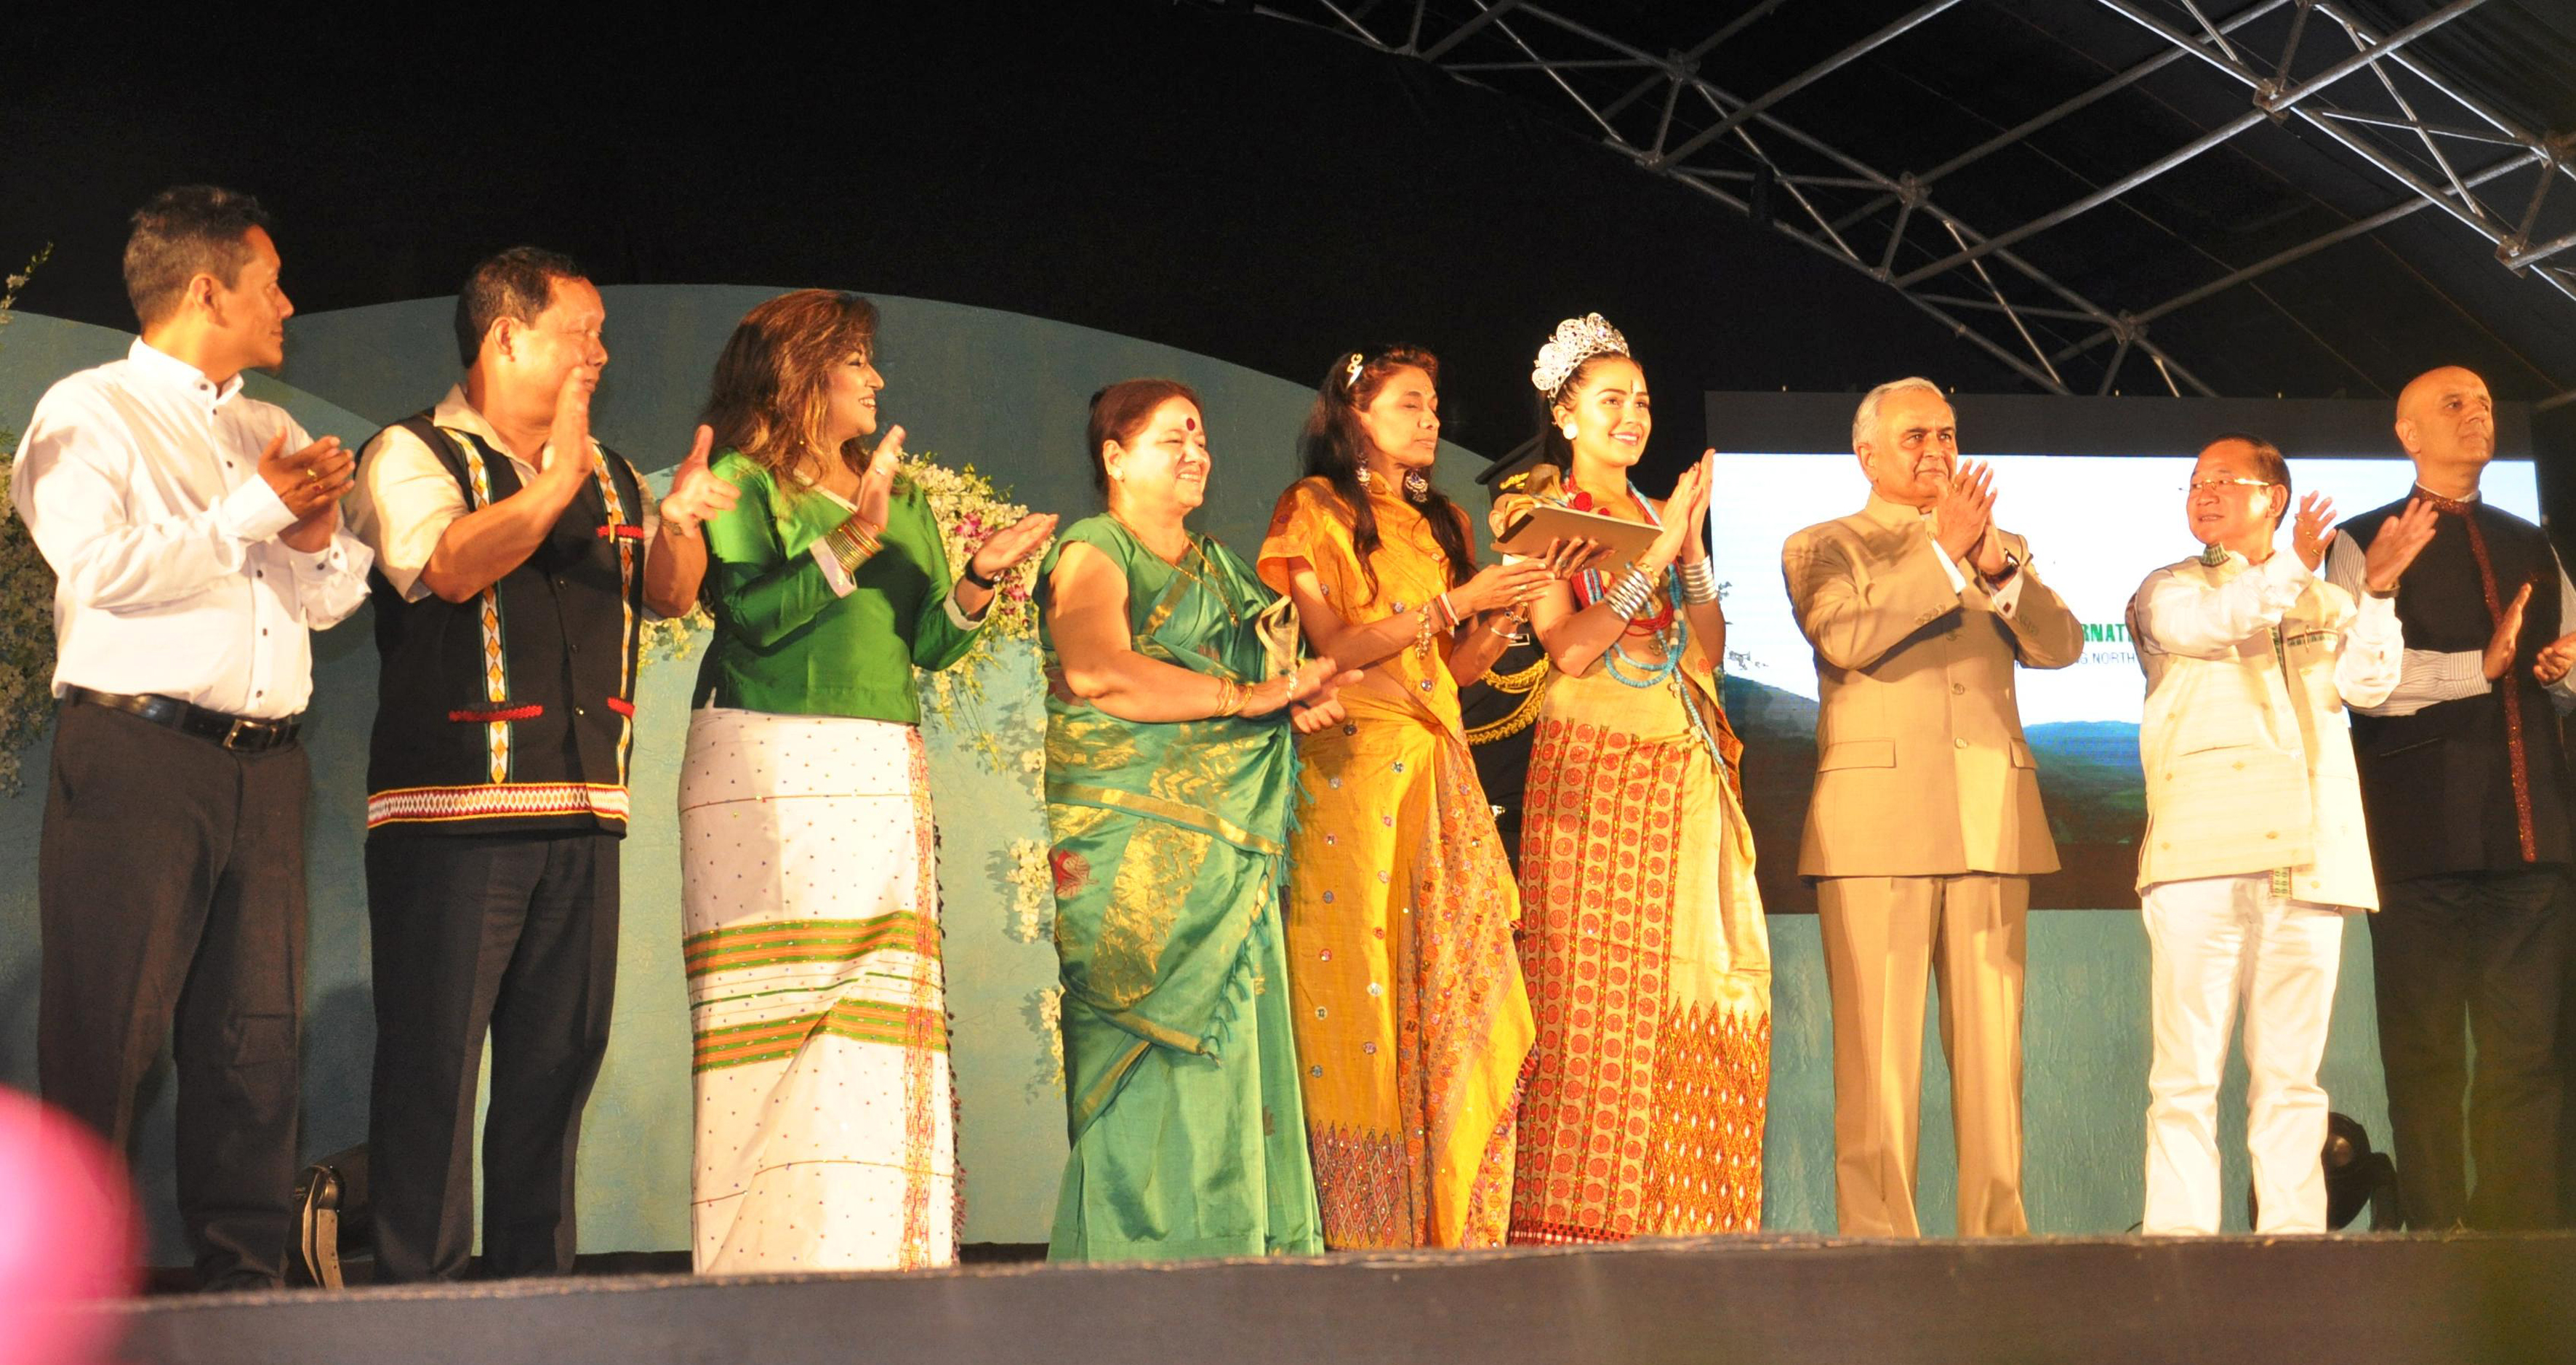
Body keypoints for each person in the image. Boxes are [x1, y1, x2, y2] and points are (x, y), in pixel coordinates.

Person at [346, 247, 736, 1282]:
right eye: (580, 333)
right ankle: (417, 1315)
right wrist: (554, 480)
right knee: (432, 1075)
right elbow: (447, 563)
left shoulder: (606, 470)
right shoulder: (408, 451)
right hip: (452, 821)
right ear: (504, 337)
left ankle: (536, 1305)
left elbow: (667, 594)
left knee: (554, 1076)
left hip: (584, 813)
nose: (599, 354)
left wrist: (681, 526)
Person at [12, 185, 372, 1289]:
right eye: (270, 283)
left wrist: (314, 539)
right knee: (108, 1032)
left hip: (266, 766)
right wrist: (253, 515)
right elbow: (99, 569)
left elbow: (325, 600)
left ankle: (244, 1283)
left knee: (253, 1039)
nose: (288, 303)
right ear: (207, 287)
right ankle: (69, 1289)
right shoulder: (87, 409)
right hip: (138, 758)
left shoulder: (263, 426)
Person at [679, 289, 1054, 1272]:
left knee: (870, 1028)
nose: (877, 380)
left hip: (879, 765)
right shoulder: (741, 479)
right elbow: (756, 617)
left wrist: (980, 579)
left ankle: (874, 1258)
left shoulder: (909, 497)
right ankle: (755, 1262)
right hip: (761, 762)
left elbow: (927, 638)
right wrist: (851, 531)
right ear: (802, 372)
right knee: (771, 1024)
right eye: (857, 363)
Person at [1040, 378, 1355, 1261]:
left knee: (1232, 1061)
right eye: (1173, 436)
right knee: (1144, 1066)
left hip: (1230, 868)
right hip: (1136, 860)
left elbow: (1279, 684)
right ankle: (1132, 1296)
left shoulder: (1223, 572)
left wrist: (1296, 705)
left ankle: (1242, 1282)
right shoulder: (1092, 550)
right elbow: (1101, 670)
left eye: (1204, 438)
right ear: (1114, 456)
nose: (1197, 452)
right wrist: (1252, 695)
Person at [1258, 345, 1555, 1249]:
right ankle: (1356, 1223)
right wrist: (1453, 602)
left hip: (1437, 768)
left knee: (1458, 992)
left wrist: (1499, 619)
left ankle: (1442, 1216)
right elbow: (1333, 650)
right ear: (1356, 417)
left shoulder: (1442, 521)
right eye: (1410, 405)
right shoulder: (1312, 511)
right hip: (1352, 770)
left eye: (1434, 406)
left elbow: (1447, 675)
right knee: (1361, 986)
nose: (1431, 421)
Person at [1780, 376, 2084, 1237]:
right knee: (1878, 1066)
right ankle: (1881, 1260)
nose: (1937, 450)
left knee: (1995, 1064)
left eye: (1947, 433)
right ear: (1868, 453)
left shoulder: (2001, 544)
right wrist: (1944, 555)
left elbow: (2061, 646)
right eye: (1915, 435)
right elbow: (1845, 636)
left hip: (1992, 818)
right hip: (1873, 828)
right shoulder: (1821, 543)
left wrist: (1992, 563)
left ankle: (2000, 1250)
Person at [1494, 314, 1772, 1243]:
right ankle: (1574, 1224)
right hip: (1596, 774)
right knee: (1592, 1004)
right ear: (1566, 415)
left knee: (1695, 989)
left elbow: (1711, 650)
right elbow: (1570, 650)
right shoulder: (1539, 516)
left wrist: (1686, 545)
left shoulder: (1659, 514)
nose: (1633, 416)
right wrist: (1652, 558)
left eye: (1643, 401)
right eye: (1611, 400)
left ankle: (1678, 1221)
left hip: (1679, 763)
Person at [2126, 436, 2431, 1234]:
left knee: (2293, 1077)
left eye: (2226, 479)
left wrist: (2382, 593)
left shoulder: (2326, 601)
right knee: (2185, 1074)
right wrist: (2294, 568)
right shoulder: (2168, 590)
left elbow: (2368, 684)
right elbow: (2226, 621)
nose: (2204, 491)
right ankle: (2179, 1245)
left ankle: (2294, 1246)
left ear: (2277, 497)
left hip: (2307, 855)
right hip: (2200, 853)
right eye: (2195, 479)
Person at [2327, 365, 2576, 1230]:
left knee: (2529, 1057)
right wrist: (2482, 669)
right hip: (2417, 837)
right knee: (2427, 1056)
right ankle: (2434, 1244)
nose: (2478, 415)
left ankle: (2518, 1248)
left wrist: (2566, 668)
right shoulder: (2362, 540)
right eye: (2453, 405)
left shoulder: (2531, 542)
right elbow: (2361, 682)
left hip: (2531, 836)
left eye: (2483, 404)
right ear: (2408, 435)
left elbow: (2571, 670)